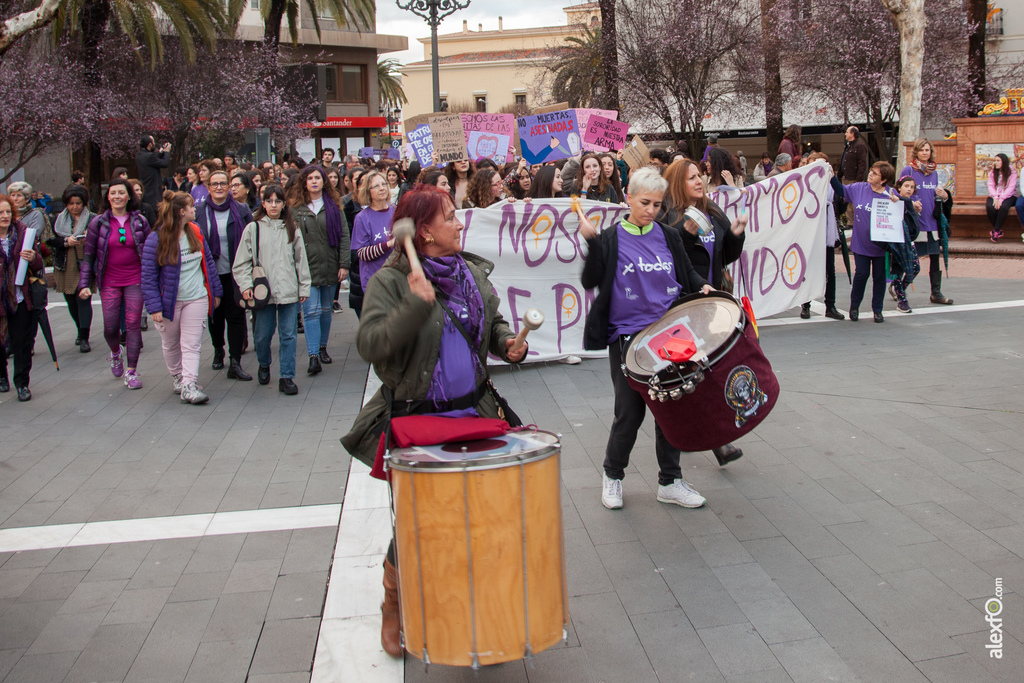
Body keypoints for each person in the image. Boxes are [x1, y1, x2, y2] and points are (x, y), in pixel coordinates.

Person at [340, 184, 527, 657]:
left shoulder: (469, 271)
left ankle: (474, 607)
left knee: (483, 517)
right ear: (423, 232)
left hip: (476, 415)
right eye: (450, 217)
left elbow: (491, 322)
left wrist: (506, 343)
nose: (460, 222)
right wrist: (414, 305)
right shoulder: (391, 282)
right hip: (419, 422)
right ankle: (394, 603)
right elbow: (371, 345)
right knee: (421, 524)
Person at [578, 168, 713, 511]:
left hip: (670, 333)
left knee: (671, 408)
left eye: (656, 203)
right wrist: (592, 244)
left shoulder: (668, 235)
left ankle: (670, 481)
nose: (651, 209)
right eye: (644, 202)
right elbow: (589, 280)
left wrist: (702, 286)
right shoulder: (609, 238)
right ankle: (613, 476)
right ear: (628, 199)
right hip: (628, 337)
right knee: (629, 412)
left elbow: (687, 272)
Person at [660, 158, 749, 465]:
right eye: (691, 178)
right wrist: (685, 233)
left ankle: (716, 439)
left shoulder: (712, 211)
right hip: (685, 307)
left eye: (700, 175)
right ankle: (700, 442)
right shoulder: (668, 215)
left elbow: (726, 254)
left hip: (715, 303)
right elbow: (670, 259)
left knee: (711, 372)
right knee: (691, 377)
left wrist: (736, 234)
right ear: (677, 184)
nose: (699, 181)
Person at [142, 191, 223, 404]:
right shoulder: (156, 239)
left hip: (196, 297)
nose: (194, 209)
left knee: (192, 344)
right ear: (181, 212)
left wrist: (215, 292)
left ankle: (189, 384)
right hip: (169, 302)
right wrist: (154, 307)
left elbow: (208, 265)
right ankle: (177, 376)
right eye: (191, 206)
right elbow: (149, 276)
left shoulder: (195, 232)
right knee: (170, 343)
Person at [233, 184, 311, 395]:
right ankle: (264, 363)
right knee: (262, 335)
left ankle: (286, 376)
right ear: (263, 203)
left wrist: (304, 287)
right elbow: (241, 262)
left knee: (288, 335)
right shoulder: (254, 228)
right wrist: (246, 285)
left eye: (277, 201)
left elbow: (300, 260)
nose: (273, 205)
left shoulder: (291, 227)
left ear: (284, 204)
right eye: (269, 201)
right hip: (263, 291)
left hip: (288, 290)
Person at [78, 179, 151, 388]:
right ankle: (116, 352)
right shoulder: (97, 223)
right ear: (107, 197)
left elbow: (150, 252)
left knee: (133, 325)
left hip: (135, 278)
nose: (117, 196)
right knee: (110, 327)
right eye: (113, 193)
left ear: (129, 196)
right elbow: (89, 255)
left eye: (122, 193)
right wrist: (84, 284)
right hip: (109, 280)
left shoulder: (140, 222)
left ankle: (132, 371)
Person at [289, 165, 350, 374]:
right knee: (311, 312)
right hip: (306, 269)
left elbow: (343, 235)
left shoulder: (334, 205)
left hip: (331, 265)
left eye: (318, 178)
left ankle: (323, 348)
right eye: (310, 178)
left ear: (324, 181)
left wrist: (344, 264)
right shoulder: (295, 208)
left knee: (325, 310)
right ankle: (313, 355)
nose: (314, 181)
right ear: (304, 182)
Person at [195, 170, 255, 379]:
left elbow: (251, 238)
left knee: (237, 316)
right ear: (208, 187)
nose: (219, 187)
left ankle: (235, 362)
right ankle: (218, 349)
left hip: (235, 273)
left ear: (229, 186)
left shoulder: (241, 209)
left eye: (223, 183)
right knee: (215, 317)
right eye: (214, 184)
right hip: (210, 274)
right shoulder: (198, 210)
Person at [898, 138, 954, 305]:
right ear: (916, 152)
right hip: (915, 223)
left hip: (932, 222)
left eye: (927, 150)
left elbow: (935, 197)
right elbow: (900, 192)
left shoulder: (935, 172)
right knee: (909, 257)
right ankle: (898, 286)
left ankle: (935, 292)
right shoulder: (909, 170)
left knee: (935, 256)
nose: (925, 153)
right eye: (922, 150)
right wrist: (911, 203)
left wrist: (945, 197)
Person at [842, 161, 899, 323]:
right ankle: (854, 307)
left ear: (883, 180)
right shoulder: (860, 188)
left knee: (879, 277)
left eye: (875, 173)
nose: (870, 174)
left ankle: (878, 310)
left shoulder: (891, 195)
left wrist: (908, 203)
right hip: (861, 243)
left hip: (881, 246)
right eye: (871, 171)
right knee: (861, 274)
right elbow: (841, 190)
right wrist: (831, 176)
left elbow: (904, 208)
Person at [0, 195, 44, 401]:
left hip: (20, 298)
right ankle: (2, 376)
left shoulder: (23, 233)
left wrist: (33, 258)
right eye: (0, 212)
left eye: (8, 211)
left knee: (23, 343)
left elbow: (38, 265)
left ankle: (22, 384)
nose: (5, 216)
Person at [46, 184, 95, 352]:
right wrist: (66, 241)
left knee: (83, 299)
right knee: (71, 301)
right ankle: (79, 328)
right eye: (71, 203)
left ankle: (84, 337)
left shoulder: (92, 218)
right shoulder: (58, 219)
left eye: (78, 203)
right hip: (65, 263)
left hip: (84, 263)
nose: (74, 207)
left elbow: (102, 239)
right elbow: (50, 240)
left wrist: (88, 238)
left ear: (84, 203)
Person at [797, 153, 845, 320]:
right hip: (809, 230)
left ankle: (830, 305)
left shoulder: (831, 184)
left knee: (829, 270)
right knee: (808, 269)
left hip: (826, 229)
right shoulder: (803, 183)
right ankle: (806, 305)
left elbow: (841, 201)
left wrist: (832, 178)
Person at [351, 171, 396, 301]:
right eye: (376, 186)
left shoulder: (395, 210)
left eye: (384, 184)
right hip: (375, 281)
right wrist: (389, 244)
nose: (382, 188)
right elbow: (362, 253)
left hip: (396, 279)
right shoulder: (362, 218)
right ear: (368, 191)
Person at [886, 176, 923, 314]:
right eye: (906, 186)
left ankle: (898, 288)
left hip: (908, 241)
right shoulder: (894, 200)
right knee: (897, 270)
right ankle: (902, 299)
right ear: (899, 187)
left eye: (912, 187)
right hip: (896, 240)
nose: (909, 189)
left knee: (915, 267)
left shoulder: (910, 203)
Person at [985, 153, 1017, 244]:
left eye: (998, 161)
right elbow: (990, 185)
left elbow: (1011, 187)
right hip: (995, 195)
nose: (996, 163)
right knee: (990, 207)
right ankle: (998, 231)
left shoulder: (1011, 172)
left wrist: (1001, 199)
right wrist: (995, 197)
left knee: (1004, 207)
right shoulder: (993, 172)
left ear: (1004, 162)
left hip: (1009, 196)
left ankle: (996, 230)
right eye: (995, 161)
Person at [135, 135, 171, 208]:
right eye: (153, 142)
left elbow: (154, 161)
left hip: (146, 188)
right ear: (150, 144)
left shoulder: (139, 155)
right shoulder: (149, 156)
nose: (154, 144)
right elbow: (164, 163)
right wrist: (167, 152)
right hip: (153, 191)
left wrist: (161, 152)